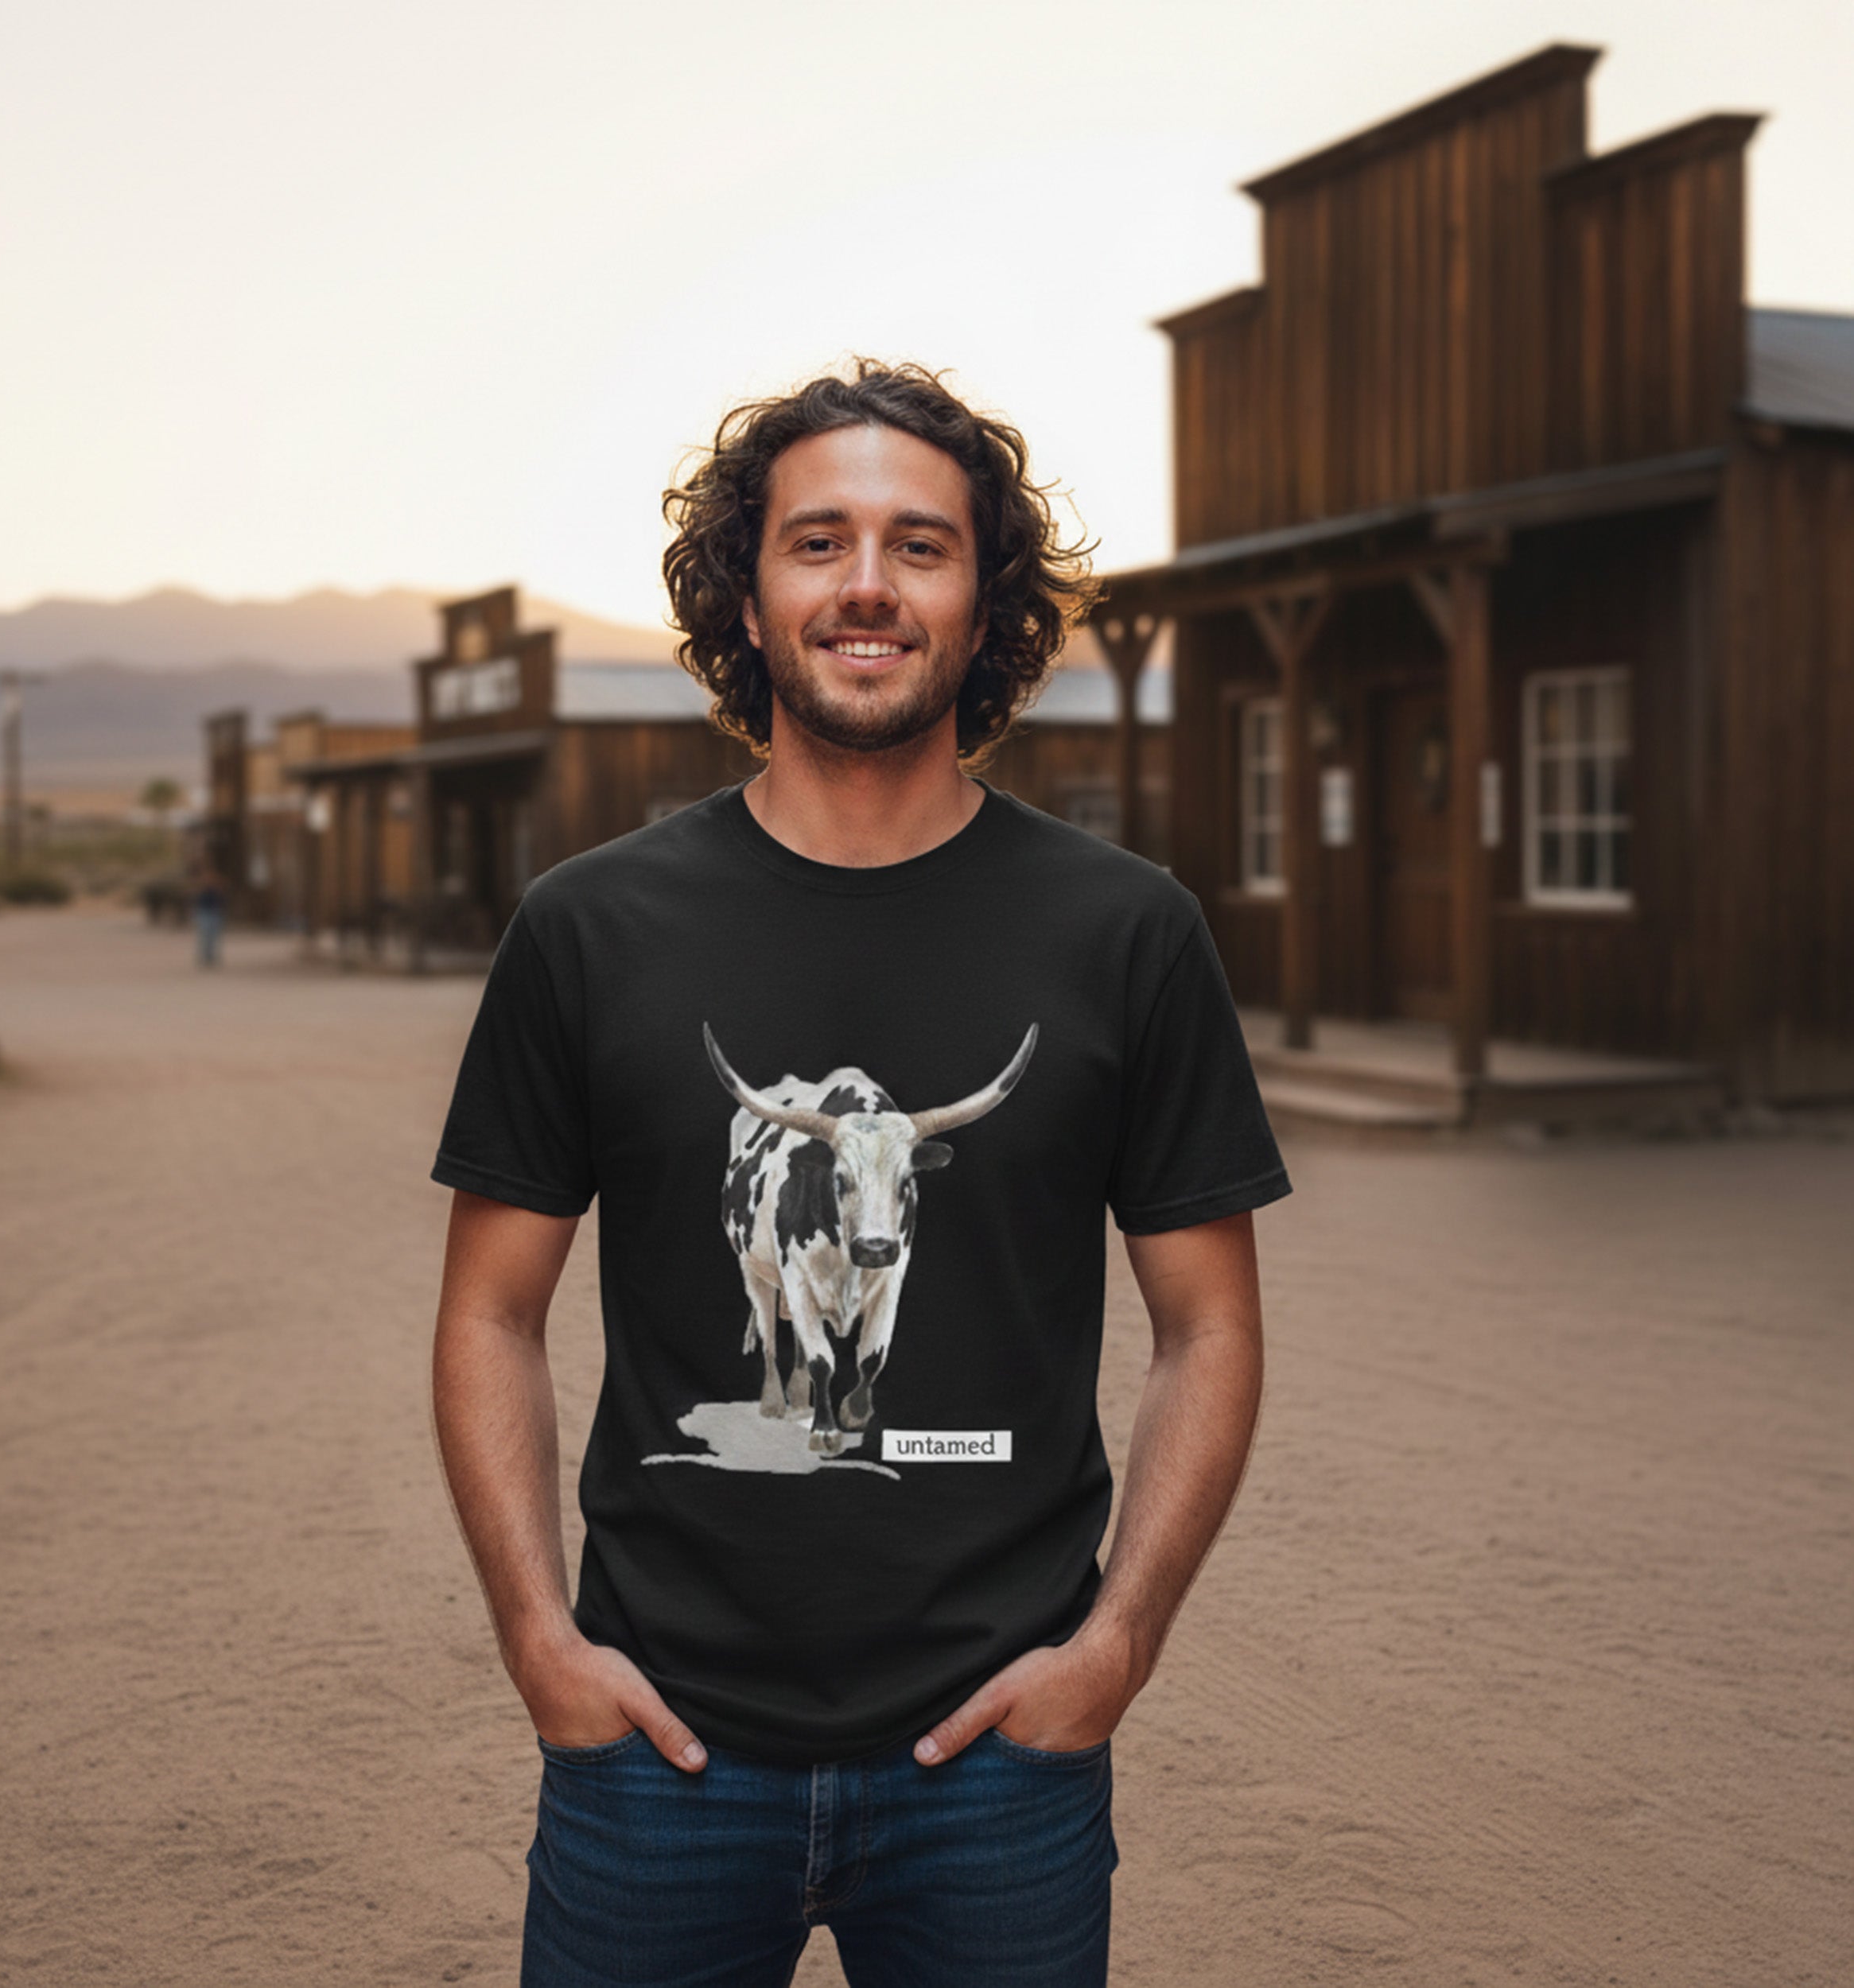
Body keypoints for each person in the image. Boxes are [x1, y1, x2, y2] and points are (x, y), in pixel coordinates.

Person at [429, 360, 1290, 1986]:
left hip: (996, 1769)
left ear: (986, 600)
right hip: (656, 1748)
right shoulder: (589, 928)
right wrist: (541, 1643)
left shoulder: (1125, 932)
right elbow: (488, 1313)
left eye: (921, 544)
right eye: (817, 542)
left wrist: (1111, 1647)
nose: (868, 585)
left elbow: (1209, 1328)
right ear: (746, 600)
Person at [191, 859, 225, 969]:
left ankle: (211, 956)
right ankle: (205, 956)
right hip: (204, 912)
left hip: (214, 912)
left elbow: (222, 899)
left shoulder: (217, 886)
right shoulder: (200, 886)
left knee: (213, 936)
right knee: (205, 935)